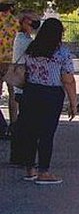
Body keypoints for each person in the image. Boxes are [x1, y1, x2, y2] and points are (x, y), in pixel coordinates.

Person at [19, 18, 77, 185]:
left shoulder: (31, 49)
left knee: (30, 132)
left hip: (30, 92)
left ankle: (30, 169)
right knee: (46, 134)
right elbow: (68, 80)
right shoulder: (62, 53)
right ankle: (44, 172)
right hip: (51, 95)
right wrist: (73, 103)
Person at [8, 10, 39, 166]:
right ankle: (19, 155)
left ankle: (19, 155)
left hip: (24, 84)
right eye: (34, 20)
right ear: (26, 21)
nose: (36, 23)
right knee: (24, 122)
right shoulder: (22, 40)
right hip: (23, 85)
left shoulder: (25, 38)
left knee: (23, 121)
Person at [0, 0, 18, 137]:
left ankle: (2, 126)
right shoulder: (16, 22)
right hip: (12, 64)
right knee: (13, 96)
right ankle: (14, 125)